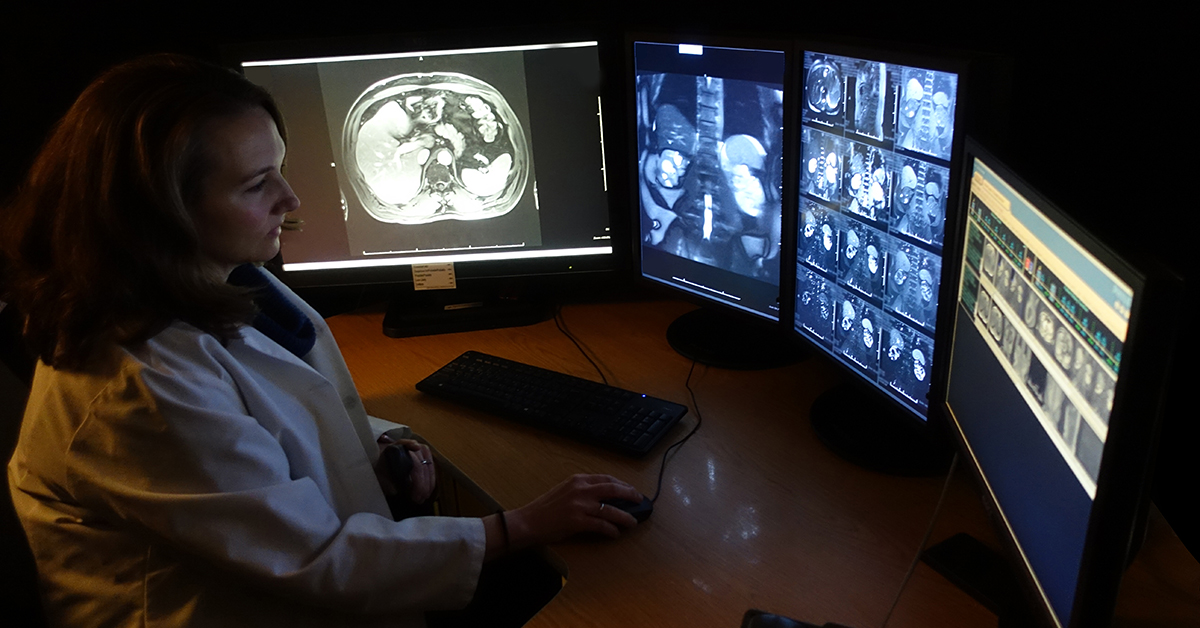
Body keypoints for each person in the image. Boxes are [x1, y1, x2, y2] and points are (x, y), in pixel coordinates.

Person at [1, 54, 643, 628]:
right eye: (257, 185)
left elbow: (282, 409)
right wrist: (520, 525)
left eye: (278, 169)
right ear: (157, 212)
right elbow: (312, 559)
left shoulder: (226, 280)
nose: (292, 198)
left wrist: (384, 441)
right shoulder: (134, 383)